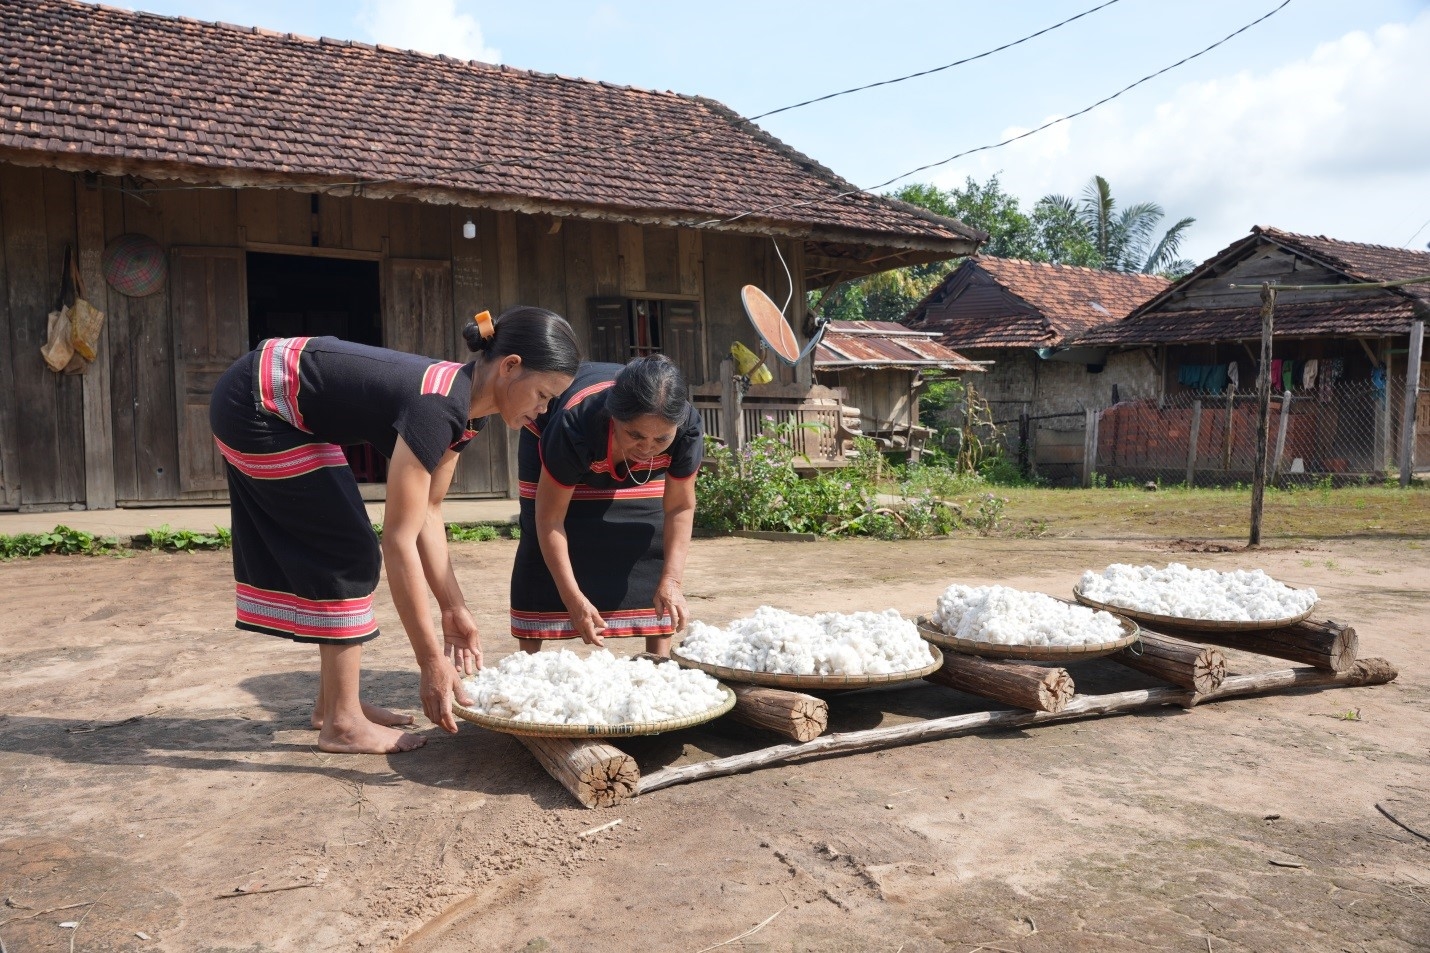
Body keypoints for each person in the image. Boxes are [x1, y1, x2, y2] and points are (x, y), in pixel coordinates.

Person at [209, 308, 580, 754]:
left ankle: (333, 706)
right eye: (542, 394)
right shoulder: (435, 406)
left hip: (286, 408)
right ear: (510, 366)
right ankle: (342, 725)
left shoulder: (467, 412)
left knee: (345, 544)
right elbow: (399, 539)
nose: (543, 410)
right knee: (349, 552)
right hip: (255, 403)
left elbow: (429, 510)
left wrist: (453, 607)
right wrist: (430, 662)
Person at [510, 354, 703, 657]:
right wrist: (572, 599)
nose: (648, 448)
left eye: (661, 439)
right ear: (614, 417)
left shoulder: (687, 428)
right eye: (635, 435)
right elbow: (549, 520)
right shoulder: (576, 424)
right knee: (538, 536)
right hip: (559, 434)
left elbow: (678, 508)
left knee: (648, 527)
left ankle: (658, 659)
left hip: (602, 444)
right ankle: (530, 661)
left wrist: (672, 580)